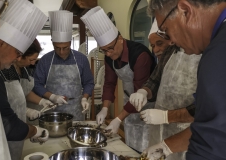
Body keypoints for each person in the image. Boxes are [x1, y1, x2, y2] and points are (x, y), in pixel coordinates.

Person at [136, 0, 226, 160]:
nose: (170, 41)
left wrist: (166, 117)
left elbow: (212, 141)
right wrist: (167, 146)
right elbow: (211, 119)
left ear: (185, 11)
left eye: (165, 30)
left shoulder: (217, 53)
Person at [81, 6, 156, 141]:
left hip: (148, 104)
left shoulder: (140, 55)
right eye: (104, 50)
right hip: (129, 102)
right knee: (131, 140)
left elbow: (139, 89)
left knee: (147, 142)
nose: (108, 53)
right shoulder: (109, 57)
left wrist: (117, 118)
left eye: (110, 48)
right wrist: (104, 108)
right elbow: (109, 83)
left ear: (120, 39)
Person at [130, 19, 201, 160]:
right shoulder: (170, 52)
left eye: (160, 43)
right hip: (159, 129)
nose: (156, 49)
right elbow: (154, 81)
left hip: (186, 135)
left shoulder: (204, 55)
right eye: (152, 46)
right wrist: (144, 91)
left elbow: (202, 109)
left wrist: (165, 116)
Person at [0, 0, 48, 159]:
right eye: (18, 52)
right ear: (1, 44)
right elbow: (8, 125)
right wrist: (36, 131)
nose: (18, 59)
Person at [33, 11, 94, 121]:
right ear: (52, 43)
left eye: (65, 47)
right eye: (57, 48)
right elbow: (37, 85)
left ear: (70, 43)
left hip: (76, 110)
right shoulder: (45, 60)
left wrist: (85, 98)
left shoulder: (81, 59)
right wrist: (52, 97)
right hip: (52, 111)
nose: (61, 52)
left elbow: (88, 82)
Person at [1, 39, 54, 122]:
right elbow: (4, 100)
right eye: (31, 60)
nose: (33, 63)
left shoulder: (24, 69)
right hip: (7, 119)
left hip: (20, 119)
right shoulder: (5, 69)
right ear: (20, 56)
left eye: (34, 60)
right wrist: (26, 110)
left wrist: (42, 101)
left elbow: (24, 92)